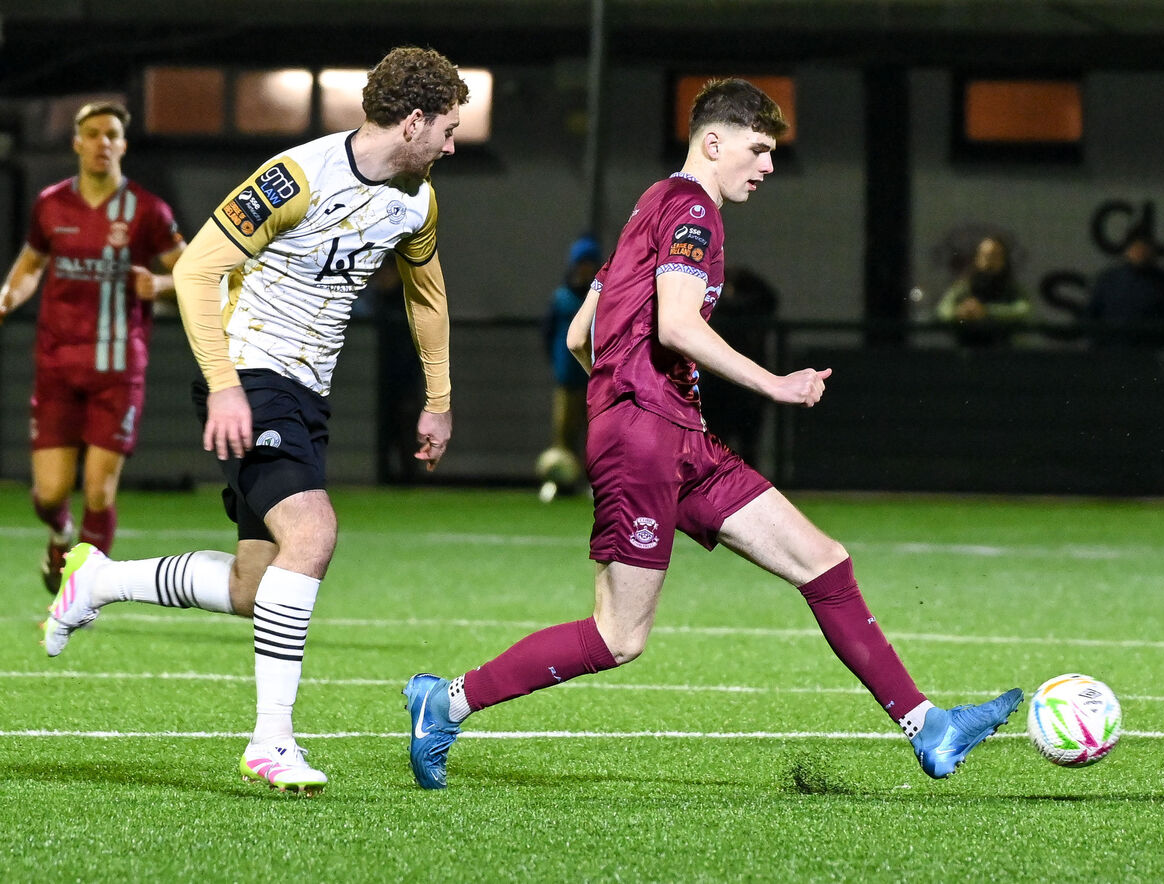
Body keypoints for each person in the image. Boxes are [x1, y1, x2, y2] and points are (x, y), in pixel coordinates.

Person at [402, 77, 1023, 790]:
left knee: (823, 561)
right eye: (758, 149)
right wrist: (769, 384)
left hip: (673, 435)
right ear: (715, 142)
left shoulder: (651, 204)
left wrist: (622, 393)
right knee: (618, 636)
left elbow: (580, 335)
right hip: (647, 437)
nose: (767, 166)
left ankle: (929, 727)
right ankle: (445, 703)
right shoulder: (693, 208)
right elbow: (675, 324)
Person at [40, 46, 470, 795]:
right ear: (413, 122)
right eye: (448, 129)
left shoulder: (417, 201)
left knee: (253, 586)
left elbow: (426, 297)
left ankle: (98, 579)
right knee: (314, 533)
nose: (453, 145)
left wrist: (439, 398)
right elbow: (196, 268)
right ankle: (271, 742)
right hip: (250, 375)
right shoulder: (296, 177)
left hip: (306, 393)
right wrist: (224, 386)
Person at [0, 101, 186, 594]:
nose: (103, 142)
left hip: (118, 368)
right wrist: (7, 296)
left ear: (123, 145)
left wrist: (160, 286)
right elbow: (31, 264)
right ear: (77, 143)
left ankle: (81, 590)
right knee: (48, 494)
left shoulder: (148, 210)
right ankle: (60, 533)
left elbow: (190, 272)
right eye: (94, 133)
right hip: (57, 366)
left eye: (111, 134)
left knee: (99, 492)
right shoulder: (51, 204)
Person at [536, 234, 602, 502]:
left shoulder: (600, 297)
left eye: (589, 263)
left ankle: (594, 484)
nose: (585, 268)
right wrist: (556, 362)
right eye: (581, 263)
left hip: (594, 378)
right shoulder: (561, 298)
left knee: (595, 434)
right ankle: (558, 483)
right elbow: (547, 333)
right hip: (567, 378)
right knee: (563, 433)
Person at [701, 265, 778, 467]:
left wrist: (740, 279)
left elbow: (770, 299)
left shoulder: (753, 308)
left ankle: (746, 484)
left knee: (747, 449)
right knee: (716, 447)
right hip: (719, 387)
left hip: (746, 388)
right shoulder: (715, 308)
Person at [1086, 229, 1164, 349]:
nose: (1140, 252)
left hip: (1154, 352)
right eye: (1136, 248)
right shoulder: (1108, 281)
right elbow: (1091, 317)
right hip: (1114, 352)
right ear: (1127, 250)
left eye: (1144, 247)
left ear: (1152, 250)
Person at [936, 235, 1030, 347]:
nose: (989, 260)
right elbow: (943, 309)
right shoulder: (966, 285)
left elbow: (1024, 310)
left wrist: (987, 312)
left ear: (1004, 260)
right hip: (968, 348)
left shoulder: (1010, 287)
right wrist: (960, 312)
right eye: (985, 255)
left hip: (1003, 348)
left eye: (995, 256)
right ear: (977, 258)